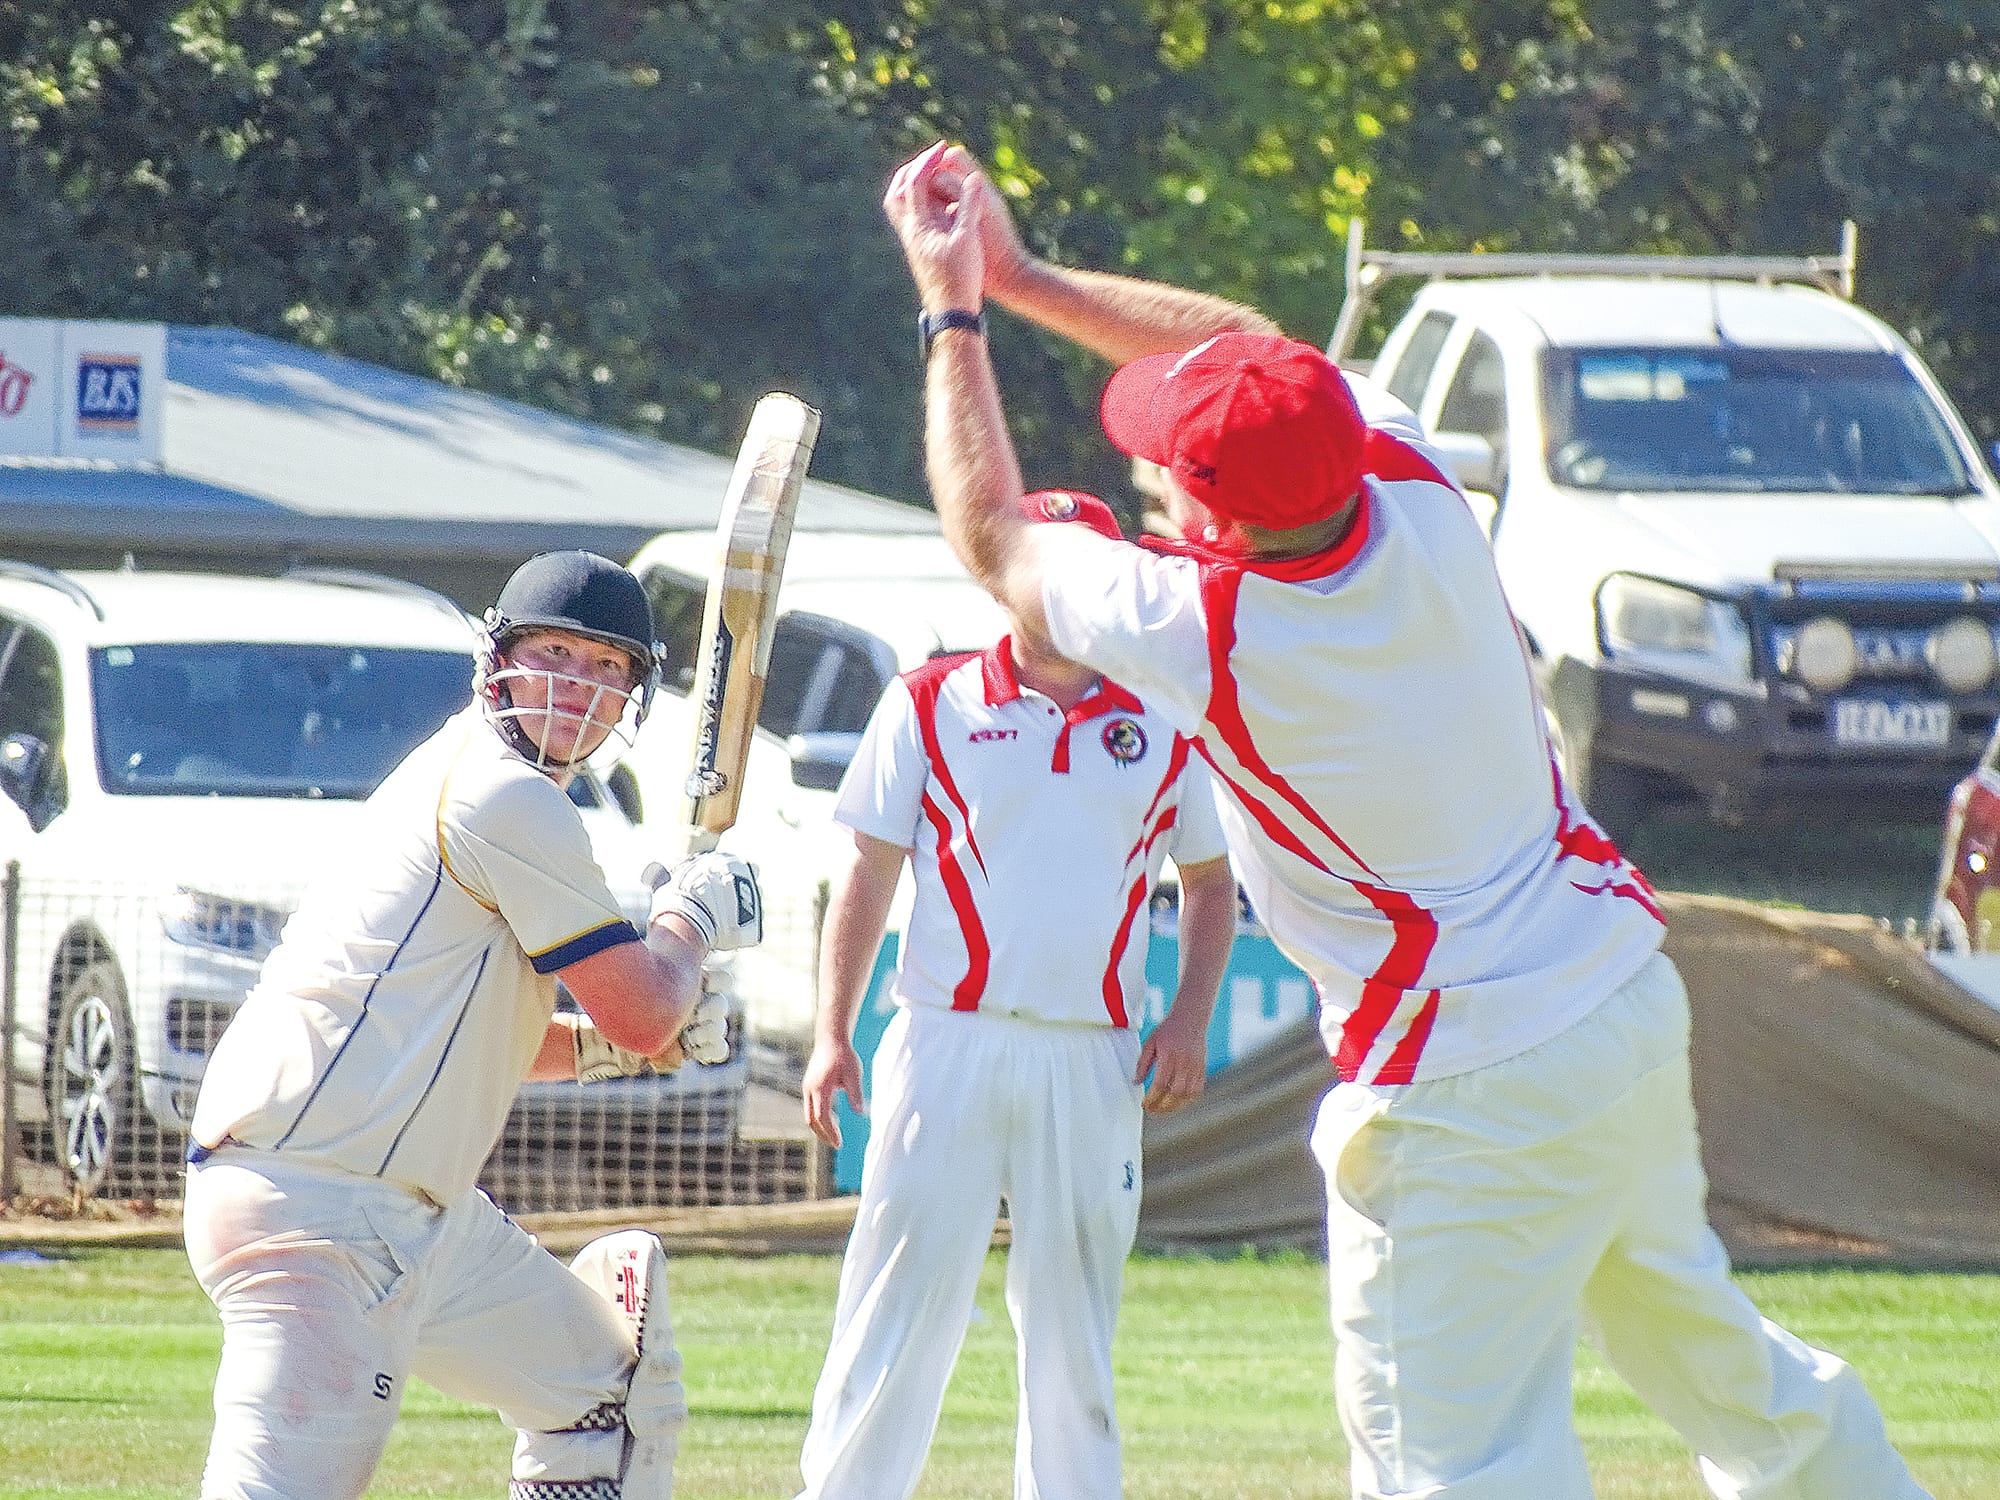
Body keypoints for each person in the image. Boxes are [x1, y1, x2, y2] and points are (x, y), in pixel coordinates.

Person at [879, 141, 1933, 1499]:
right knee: (1723, 1368)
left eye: (1168, 475)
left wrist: (955, 308)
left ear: (1217, 517)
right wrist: (1018, 274)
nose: (1151, 483)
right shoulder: (1414, 487)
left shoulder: (1204, 627)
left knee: (1458, 1470)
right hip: (1611, 1000)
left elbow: (992, 538)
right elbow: (1258, 348)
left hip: (1463, 1081)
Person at [182, 550, 764, 1500]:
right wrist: (690, 927)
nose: (577, 688)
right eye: (555, 656)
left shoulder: (479, 780)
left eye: (606, 669)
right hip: (321, 1210)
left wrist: (611, 1044)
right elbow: (649, 1002)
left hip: (410, 1214)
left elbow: (465, 1031)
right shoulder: (504, 794)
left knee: (600, 1394)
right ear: (499, 662)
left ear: (633, 697)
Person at [793, 488, 1237, 1500]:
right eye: (1043, 556)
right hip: (942, 1040)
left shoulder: (1164, 717)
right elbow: (867, 872)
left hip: (1092, 1053)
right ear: (1002, 570)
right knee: (895, 1301)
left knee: (1072, 1321)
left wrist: (1187, 1019)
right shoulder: (926, 699)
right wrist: (832, 1033)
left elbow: (1209, 883)